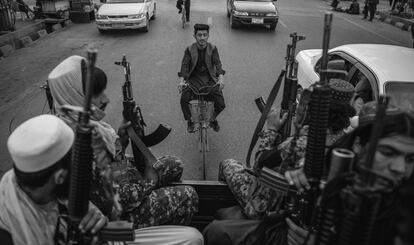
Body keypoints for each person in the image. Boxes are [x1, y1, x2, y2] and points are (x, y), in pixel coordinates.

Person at [0, 115, 205, 245]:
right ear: (60, 176)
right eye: (78, 164)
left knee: (193, 237)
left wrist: (103, 227)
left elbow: (103, 230)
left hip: (107, 236)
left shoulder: (44, 189)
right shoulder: (14, 233)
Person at [47, 55, 199, 229]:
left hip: (120, 190)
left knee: (174, 164)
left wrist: (122, 143)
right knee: (188, 195)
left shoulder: (78, 123)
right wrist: (151, 181)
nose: (105, 100)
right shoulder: (77, 144)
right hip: (114, 220)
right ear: (74, 96)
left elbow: (112, 166)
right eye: (96, 95)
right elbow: (123, 199)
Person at [203, 79, 356, 244]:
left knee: (228, 164)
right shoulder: (347, 145)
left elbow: (259, 165)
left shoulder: (301, 143)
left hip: (267, 207)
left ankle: (236, 213)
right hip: (298, 209)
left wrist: (271, 130)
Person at [285, 103, 414, 245]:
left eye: (410, 159)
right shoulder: (330, 179)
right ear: (358, 145)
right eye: (387, 153)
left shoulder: (405, 212)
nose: (400, 168)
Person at [0, 115, 108, 245]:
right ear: (60, 176)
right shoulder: (8, 234)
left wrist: (101, 230)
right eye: (75, 164)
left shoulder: (39, 186)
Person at [178, 23, 226, 133]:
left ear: (208, 36)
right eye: (199, 35)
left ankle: (212, 119)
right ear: (194, 36)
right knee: (184, 99)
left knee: (221, 103)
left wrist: (221, 78)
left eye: (205, 35)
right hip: (193, 80)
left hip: (210, 80)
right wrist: (181, 81)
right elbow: (184, 66)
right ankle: (190, 121)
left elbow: (218, 64)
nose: (202, 38)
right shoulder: (189, 49)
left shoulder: (213, 48)